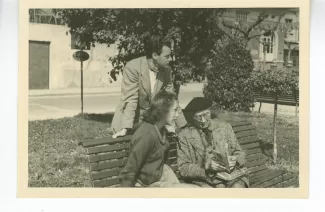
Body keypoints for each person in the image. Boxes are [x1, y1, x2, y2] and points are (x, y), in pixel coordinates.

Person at [111, 35, 187, 138]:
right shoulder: (133, 67)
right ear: (155, 55)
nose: (170, 59)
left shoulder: (166, 70)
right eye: (167, 56)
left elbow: (170, 98)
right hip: (129, 121)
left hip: (151, 123)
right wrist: (126, 128)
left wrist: (182, 126)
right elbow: (131, 99)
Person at [119, 90, 199, 188]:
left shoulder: (161, 129)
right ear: (163, 111)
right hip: (145, 186)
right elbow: (129, 171)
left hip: (159, 179)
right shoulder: (145, 135)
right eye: (175, 110)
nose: (177, 115)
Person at [177, 97, 249, 188]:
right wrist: (206, 168)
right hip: (205, 179)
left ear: (210, 112)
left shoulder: (224, 127)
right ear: (192, 117)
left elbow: (240, 152)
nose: (203, 120)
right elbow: (183, 167)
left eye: (206, 115)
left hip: (232, 175)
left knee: (237, 188)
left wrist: (236, 160)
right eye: (198, 117)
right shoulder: (184, 135)